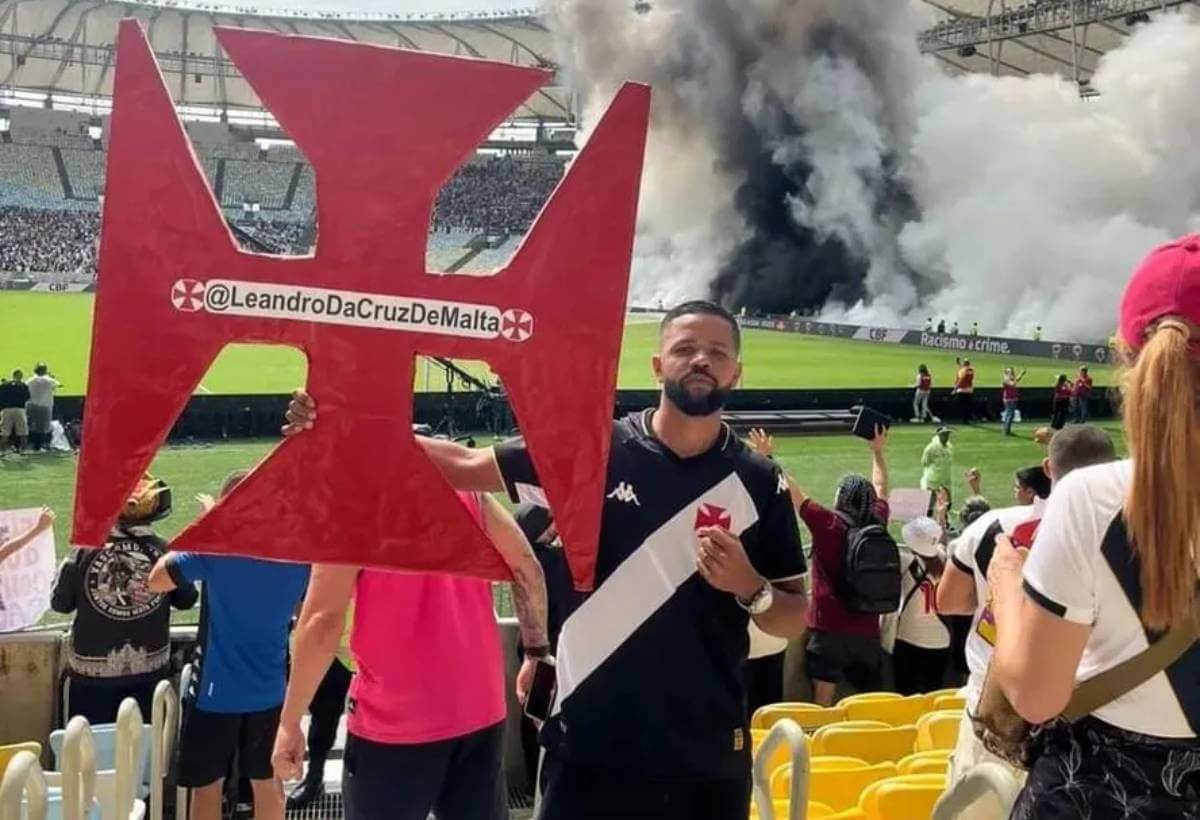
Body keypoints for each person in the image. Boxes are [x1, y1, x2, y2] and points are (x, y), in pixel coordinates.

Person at [278, 300, 810, 820]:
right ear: (657, 364)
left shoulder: (760, 483)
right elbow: (464, 465)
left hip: (705, 756)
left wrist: (751, 587)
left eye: (717, 353)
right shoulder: (595, 449)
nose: (701, 361)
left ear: (736, 373)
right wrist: (342, 424)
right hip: (588, 750)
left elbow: (792, 614)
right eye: (686, 348)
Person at [990, 240, 1200, 816]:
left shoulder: (1093, 497)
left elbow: (1036, 696)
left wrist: (1007, 585)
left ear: (1131, 359)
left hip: (1106, 790)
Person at [272, 484, 548, 820]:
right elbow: (526, 567)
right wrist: (535, 652)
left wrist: (289, 722)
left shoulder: (352, 501)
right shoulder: (463, 488)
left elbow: (321, 623)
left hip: (393, 722)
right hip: (479, 708)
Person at [936, 425, 1116, 790]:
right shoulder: (1142, 538)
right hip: (1092, 732)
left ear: (1048, 469)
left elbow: (949, 600)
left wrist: (1002, 590)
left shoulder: (993, 526)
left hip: (997, 723)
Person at [146, 471, 308, 820]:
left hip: (213, 695)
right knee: (268, 785)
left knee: (207, 789)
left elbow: (156, 579)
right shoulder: (297, 558)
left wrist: (207, 528)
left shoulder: (213, 553)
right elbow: (302, 610)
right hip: (272, 692)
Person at [51, 475, 198, 724]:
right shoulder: (166, 551)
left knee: (89, 753)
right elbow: (187, 599)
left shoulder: (84, 551)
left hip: (91, 677)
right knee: (147, 753)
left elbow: (60, 604)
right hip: (150, 673)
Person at [790, 428, 890, 706]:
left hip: (828, 629)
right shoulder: (877, 522)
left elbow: (794, 494)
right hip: (868, 630)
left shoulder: (829, 525)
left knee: (822, 702)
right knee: (873, 703)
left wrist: (767, 457)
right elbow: (881, 487)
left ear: (840, 498)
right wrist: (877, 452)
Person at [891, 517, 949, 696]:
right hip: (941, 639)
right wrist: (941, 517)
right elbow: (941, 543)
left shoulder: (904, 561)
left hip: (908, 637)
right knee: (934, 693)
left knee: (906, 695)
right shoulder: (945, 559)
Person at [24, 363, 60, 452]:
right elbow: (57, 385)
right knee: (42, 427)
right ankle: (38, 446)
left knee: (29, 425)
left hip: (31, 405)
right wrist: (52, 377)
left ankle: (26, 445)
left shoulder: (30, 380)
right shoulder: (50, 380)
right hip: (45, 407)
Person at [920, 427, 954, 509]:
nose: (946, 436)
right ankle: (928, 518)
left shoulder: (949, 446)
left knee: (948, 501)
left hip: (946, 478)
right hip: (933, 479)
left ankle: (945, 518)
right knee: (930, 502)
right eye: (944, 434)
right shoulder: (931, 448)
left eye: (947, 434)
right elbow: (925, 462)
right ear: (939, 435)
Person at [0, 369, 30, 454]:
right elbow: (27, 397)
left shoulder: (4, 385)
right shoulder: (23, 385)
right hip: (20, 410)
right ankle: (23, 451)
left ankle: (2, 451)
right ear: (20, 376)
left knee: (5, 432)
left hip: (6, 410)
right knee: (23, 432)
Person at [999, 367, 1026, 437]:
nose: (1011, 373)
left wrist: (1022, 374)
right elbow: (1013, 384)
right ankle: (1006, 431)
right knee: (1009, 415)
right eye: (1010, 372)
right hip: (1009, 399)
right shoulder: (1006, 379)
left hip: (1012, 399)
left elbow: (1016, 380)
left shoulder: (1010, 378)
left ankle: (1007, 430)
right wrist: (1014, 377)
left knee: (1010, 415)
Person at [952, 359, 975, 424]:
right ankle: (966, 420)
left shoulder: (962, 370)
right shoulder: (971, 370)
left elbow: (960, 380)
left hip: (961, 390)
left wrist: (955, 389)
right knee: (967, 406)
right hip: (969, 390)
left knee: (960, 405)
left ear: (964, 363)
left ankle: (959, 419)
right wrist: (958, 364)